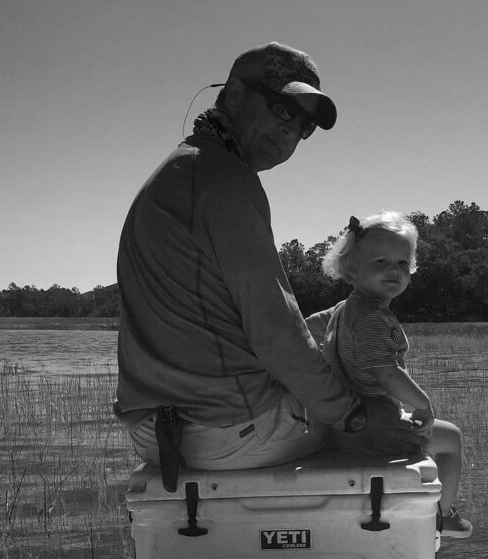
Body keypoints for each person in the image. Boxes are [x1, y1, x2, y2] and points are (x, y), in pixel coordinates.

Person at [114, 42, 425, 481]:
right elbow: (276, 331)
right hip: (228, 435)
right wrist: (353, 416)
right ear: (236, 94)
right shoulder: (227, 183)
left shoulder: (176, 172)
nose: (290, 132)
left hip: (155, 432)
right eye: (282, 109)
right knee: (392, 418)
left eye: (304, 126)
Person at [306, 211, 472, 537]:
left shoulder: (344, 308)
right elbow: (387, 374)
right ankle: (443, 514)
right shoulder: (370, 318)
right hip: (375, 427)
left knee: (439, 435)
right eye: (380, 262)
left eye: (401, 263)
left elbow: (308, 325)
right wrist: (423, 405)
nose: (393, 270)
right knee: (451, 439)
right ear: (352, 270)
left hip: (349, 422)